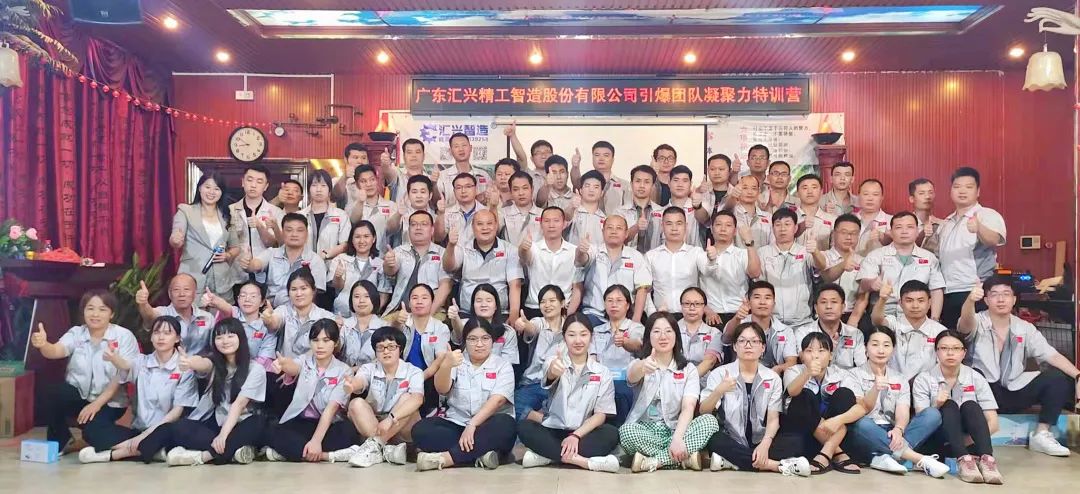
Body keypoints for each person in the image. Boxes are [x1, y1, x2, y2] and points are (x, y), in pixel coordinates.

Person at [957, 276, 1079, 457]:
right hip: (984, 392)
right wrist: (970, 301)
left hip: (1015, 389)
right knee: (971, 376)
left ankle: (1042, 434)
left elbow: (1050, 354)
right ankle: (971, 436)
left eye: (1006, 294)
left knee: (1057, 378)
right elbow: (964, 325)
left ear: (1014, 299)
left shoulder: (1025, 328)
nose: (1000, 299)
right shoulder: (978, 321)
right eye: (994, 295)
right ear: (986, 300)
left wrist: (1078, 376)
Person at [77, 316, 199, 464]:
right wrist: (114, 358)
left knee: (172, 435)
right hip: (138, 431)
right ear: (151, 337)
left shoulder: (184, 367)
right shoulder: (141, 361)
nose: (161, 337)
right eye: (156, 332)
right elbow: (126, 365)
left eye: (167, 333)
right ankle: (152, 451)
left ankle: (113, 454)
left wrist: (145, 436)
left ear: (177, 338)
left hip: (165, 430)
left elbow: (176, 412)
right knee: (92, 430)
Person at [32, 290, 139, 454]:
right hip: (80, 395)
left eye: (102, 309)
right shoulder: (76, 333)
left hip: (110, 401)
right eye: (90, 308)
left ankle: (139, 437)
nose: (95, 314)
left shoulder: (124, 336)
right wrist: (43, 345)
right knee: (53, 393)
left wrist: (96, 404)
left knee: (93, 433)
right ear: (83, 311)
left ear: (111, 314)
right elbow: (55, 351)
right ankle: (60, 440)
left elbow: (122, 375)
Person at [701, 322, 810, 477]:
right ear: (734, 346)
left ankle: (733, 461)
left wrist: (765, 444)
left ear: (763, 347)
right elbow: (704, 411)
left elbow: (773, 419)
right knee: (713, 439)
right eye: (742, 341)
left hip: (761, 439)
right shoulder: (719, 374)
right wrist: (719, 391)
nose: (748, 345)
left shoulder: (772, 378)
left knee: (796, 441)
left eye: (754, 341)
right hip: (730, 438)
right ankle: (776, 465)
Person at [518, 313, 622, 473]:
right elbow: (550, 373)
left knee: (611, 433)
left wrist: (576, 436)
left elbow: (601, 415)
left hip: (583, 432)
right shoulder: (554, 361)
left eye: (583, 334)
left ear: (591, 337)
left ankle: (548, 457)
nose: (578, 340)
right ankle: (583, 461)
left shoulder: (602, 372)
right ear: (564, 337)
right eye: (572, 335)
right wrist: (554, 371)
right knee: (525, 427)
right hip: (553, 430)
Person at [841, 325, 948, 477]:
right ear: (865, 348)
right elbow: (859, 409)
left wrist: (899, 429)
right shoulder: (852, 375)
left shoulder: (899, 378)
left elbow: (903, 410)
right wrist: (875, 389)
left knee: (932, 414)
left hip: (892, 432)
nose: (881, 350)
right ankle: (920, 459)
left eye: (886, 345)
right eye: (875, 344)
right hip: (865, 431)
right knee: (861, 423)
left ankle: (884, 458)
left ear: (893, 349)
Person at [412, 319, 517, 471]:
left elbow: (498, 401)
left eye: (485, 338)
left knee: (506, 425)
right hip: (458, 425)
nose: (479, 344)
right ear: (465, 341)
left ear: (492, 341)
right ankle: (480, 455)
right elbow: (442, 389)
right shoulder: (457, 360)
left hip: (488, 425)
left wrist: (472, 424)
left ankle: (446, 459)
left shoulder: (502, 365)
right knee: (420, 430)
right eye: (472, 339)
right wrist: (446, 365)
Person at [619, 312, 719, 473]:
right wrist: (643, 366)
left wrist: (677, 439)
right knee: (626, 432)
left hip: (676, 428)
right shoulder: (639, 363)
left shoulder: (689, 370)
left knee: (709, 421)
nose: (663, 336)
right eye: (656, 331)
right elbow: (632, 376)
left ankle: (655, 461)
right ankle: (683, 458)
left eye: (668, 331)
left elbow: (688, 407)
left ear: (676, 336)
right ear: (648, 336)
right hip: (645, 429)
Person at [164, 318, 267, 466]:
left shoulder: (256, 369)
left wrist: (223, 436)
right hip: (219, 423)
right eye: (219, 337)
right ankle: (234, 452)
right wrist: (190, 362)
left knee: (258, 424)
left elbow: (238, 405)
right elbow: (203, 363)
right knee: (180, 427)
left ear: (241, 338)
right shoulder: (216, 365)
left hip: (243, 423)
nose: (225, 341)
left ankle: (202, 456)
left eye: (230, 336)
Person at [262, 319, 363, 463]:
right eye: (315, 340)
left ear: (335, 343)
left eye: (326, 340)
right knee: (275, 431)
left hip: (329, 424)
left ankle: (301, 454)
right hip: (302, 422)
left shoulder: (344, 370)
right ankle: (325, 455)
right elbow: (293, 367)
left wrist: (316, 441)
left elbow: (331, 409)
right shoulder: (304, 360)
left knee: (347, 432)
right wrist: (283, 365)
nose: (320, 346)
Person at [912, 330, 1003, 484]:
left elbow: (993, 423)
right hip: (938, 441)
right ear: (936, 352)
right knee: (948, 405)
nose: (950, 353)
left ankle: (987, 460)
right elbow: (923, 422)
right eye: (944, 348)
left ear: (964, 352)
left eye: (956, 348)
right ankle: (963, 460)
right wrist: (937, 405)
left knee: (970, 406)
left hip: (969, 442)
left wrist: (959, 441)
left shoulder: (976, 377)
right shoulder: (924, 379)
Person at [342, 327, 426, 468]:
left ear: (400, 349)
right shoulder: (369, 368)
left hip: (401, 424)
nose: (386, 351)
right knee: (356, 403)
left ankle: (377, 445)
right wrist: (352, 385)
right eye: (380, 348)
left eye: (391, 347)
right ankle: (386, 450)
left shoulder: (414, 371)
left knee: (408, 399)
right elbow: (360, 381)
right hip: (375, 425)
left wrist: (391, 418)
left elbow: (417, 399)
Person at [781, 332, 863, 474]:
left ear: (831, 355)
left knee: (845, 394)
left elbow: (860, 406)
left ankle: (825, 453)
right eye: (809, 351)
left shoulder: (842, 374)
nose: (815, 356)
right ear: (801, 355)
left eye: (821, 350)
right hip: (803, 430)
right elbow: (792, 391)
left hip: (833, 428)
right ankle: (837, 453)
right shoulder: (793, 371)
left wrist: (838, 420)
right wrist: (807, 373)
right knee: (804, 396)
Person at [262, 268, 339, 416]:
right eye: (294, 289)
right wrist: (268, 319)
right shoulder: (284, 310)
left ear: (313, 291)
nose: (298, 293)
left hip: (312, 373)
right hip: (283, 371)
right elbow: (274, 322)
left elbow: (332, 348)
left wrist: (297, 369)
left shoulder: (326, 317)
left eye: (304, 288)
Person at [937, 167, 1008, 329]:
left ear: (978, 191)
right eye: (957, 186)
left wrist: (979, 228)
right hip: (948, 292)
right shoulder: (946, 222)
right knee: (953, 340)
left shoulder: (986, 214)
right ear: (951, 191)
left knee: (977, 338)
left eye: (969, 187)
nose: (962, 191)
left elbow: (994, 240)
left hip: (975, 290)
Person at [858, 212, 945, 320]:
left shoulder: (929, 258)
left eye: (910, 227)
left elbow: (936, 290)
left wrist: (935, 319)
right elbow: (863, 285)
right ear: (891, 232)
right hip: (882, 315)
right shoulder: (876, 255)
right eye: (899, 227)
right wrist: (872, 283)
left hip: (916, 316)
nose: (904, 231)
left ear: (917, 231)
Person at [170, 172, 240, 301]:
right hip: (193, 277)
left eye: (216, 189)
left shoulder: (227, 215)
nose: (211, 192)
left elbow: (235, 247)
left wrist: (227, 255)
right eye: (207, 187)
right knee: (192, 312)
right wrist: (176, 240)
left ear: (221, 192)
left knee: (223, 313)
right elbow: (176, 236)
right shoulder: (186, 211)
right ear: (199, 188)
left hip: (221, 281)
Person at [445, 209, 523, 321]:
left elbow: (515, 284)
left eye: (489, 223)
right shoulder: (463, 248)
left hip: (499, 313)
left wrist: (514, 313)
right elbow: (449, 267)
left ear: (496, 225)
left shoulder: (510, 250)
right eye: (480, 224)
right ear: (473, 227)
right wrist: (451, 246)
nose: (485, 228)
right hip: (468, 313)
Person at [239, 213, 328, 307]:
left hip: (300, 309)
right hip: (271, 309)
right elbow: (255, 265)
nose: (294, 234)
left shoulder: (315, 260)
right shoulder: (271, 253)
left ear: (306, 234)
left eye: (300, 230)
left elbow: (315, 295)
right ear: (282, 233)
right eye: (289, 230)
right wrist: (247, 264)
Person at [576, 215, 651, 325]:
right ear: (603, 232)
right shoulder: (593, 250)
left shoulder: (636, 256)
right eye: (610, 227)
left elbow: (642, 289)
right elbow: (581, 260)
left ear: (626, 234)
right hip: (593, 314)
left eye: (619, 228)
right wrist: (580, 251)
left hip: (624, 317)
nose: (614, 231)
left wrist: (636, 319)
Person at [390, 284, 452, 416]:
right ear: (409, 302)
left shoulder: (440, 328)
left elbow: (440, 359)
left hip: (428, 378)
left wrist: (418, 378)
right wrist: (396, 322)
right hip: (401, 376)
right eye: (414, 298)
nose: (419, 301)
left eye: (424, 298)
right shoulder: (402, 321)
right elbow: (390, 341)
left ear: (432, 302)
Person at [871, 280, 946, 382]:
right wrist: (882, 299)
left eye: (921, 301)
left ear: (929, 303)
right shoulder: (894, 323)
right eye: (909, 301)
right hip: (893, 384)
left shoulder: (939, 331)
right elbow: (877, 321)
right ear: (900, 303)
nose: (915, 306)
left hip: (927, 385)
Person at [591, 285, 646, 425]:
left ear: (628, 305)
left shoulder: (637, 328)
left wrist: (625, 342)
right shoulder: (596, 331)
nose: (614, 304)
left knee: (620, 392)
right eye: (609, 300)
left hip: (627, 381)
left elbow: (638, 345)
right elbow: (592, 359)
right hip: (603, 379)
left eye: (619, 300)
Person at [645, 207, 715, 316]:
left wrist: (712, 260)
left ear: (686, 226)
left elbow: (708, 272)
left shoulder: (696, 252)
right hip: (662, 315)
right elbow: (645, 290)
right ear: (662, 226)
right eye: (669, 224)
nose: (674, 228)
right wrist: (653, 315)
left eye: (679, 223)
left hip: (691, 315)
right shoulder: (651, 256)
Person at [383, 210, 452, 317]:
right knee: (383, 327)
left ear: (432, 230)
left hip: (434, 312)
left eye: (424, 224)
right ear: (409, 229)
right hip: (400, 311)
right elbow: (390, 271)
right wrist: (389, 263)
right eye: (413, 224)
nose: (418, 228)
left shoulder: (443, 254)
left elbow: (446, 285)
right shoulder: (398, 251)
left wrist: (429, 315)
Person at [513, 285, 566, 422]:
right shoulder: (538, 322)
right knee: (512, 407)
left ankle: (541, 419)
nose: (547, 305)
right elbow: (532, 328)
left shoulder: (570, 327)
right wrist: (524, 324)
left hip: (559, 385)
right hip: (533, 383)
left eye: (552, 301)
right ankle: (544, 420)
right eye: (543, 302)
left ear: (562, 303)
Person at [700, 210, 761, 327]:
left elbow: (755, 273)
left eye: (728, 225)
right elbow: (695, 288)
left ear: (735, 231)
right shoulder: (701, 256)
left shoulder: (743, 254)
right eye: (718, 224)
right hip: (712, 315)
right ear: (711, 229)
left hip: (740, 313)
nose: (723, 229)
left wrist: (749, 242)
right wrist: (706, 309)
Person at [519, 207, 582, 319]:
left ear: (564, 224)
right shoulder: (533, 248)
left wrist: (568, 316)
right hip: (535, 307)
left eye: (556, 221)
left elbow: (578, 287)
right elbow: (524, 256)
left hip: (563, 309)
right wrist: (523, 248)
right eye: (547, 221)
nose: (551, 225)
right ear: (541, 224)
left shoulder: (574, 251)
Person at [722, 281, 797, 374]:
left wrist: (777, 369)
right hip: (741, 375)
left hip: (774, 377)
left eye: (767, 298)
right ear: (749, 303)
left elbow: (791, 362)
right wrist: (737, 318)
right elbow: (726, 339)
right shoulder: (739, 322)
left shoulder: (786, 331)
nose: (762, 302)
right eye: (757, 297)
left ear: (774, 304)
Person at [201, 281, 278, 371]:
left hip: (253, 371)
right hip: (224, 368)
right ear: (238, 299)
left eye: (253, 296)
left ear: (262, 302)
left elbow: (265, 359)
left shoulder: (267, 325)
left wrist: (242, 370)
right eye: (243, 295)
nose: (247, 299)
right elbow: (226, 308)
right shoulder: (233, 314)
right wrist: (215, 300)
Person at [757, 208, 814, 328]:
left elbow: (821, 272)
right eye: (778, 225)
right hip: (771, 322)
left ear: (795, 228)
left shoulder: (806, 253)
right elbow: (758, 284)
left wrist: (816, 252)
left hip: (802, 322)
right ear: (772, 228)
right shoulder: (762, 253)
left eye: (787, 224)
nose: (782, 229)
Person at [229, 165, 283, 284]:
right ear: (242, 182)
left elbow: (277, 245)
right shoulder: (230, 211)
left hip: (266, 274)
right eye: (249, 180)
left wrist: (259, 226)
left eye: (259, 181)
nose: (253, 185)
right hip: (236, 274)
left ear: (266, 186)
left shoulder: (276, 212)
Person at [136, 274, 215, 355]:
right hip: (169, 362)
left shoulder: (208, 318)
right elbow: (150, 316)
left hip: (200, 362)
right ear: (169, 294)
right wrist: (143, 303)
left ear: (195, 293)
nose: (182, 294)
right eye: (176, 290)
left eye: (186, 289)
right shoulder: (163, 313)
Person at [794, 284, 866, 370]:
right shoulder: (803, 332)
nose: (828, 306)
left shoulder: (855, 334)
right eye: (823, 302)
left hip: (848, 377)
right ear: (816, 308)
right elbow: (804, 360)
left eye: (834, 302)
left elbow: (862, 367)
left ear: (843, 307)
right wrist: (825, 349)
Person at [329, 221, 390, 317]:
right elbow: (337, 287)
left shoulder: (380, 264)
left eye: (366, 236)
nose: (362, 241)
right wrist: (337, 276)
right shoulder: (341, 259)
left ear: (373, 239)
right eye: (357, 237)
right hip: (342, 315)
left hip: (370, 316)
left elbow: (384, 292)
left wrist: (373, 312)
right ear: (352, 239)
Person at [448, 284, 520, 366]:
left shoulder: (508, 332)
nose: (483, 305)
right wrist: (455, 317)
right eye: (479, 301)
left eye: (488, 301)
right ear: (473, 305)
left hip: (497, 372)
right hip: (467, 371)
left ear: (496, 306)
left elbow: (508, 363)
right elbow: (459, 335)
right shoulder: (464, 324)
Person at [814, 214, 866, 325]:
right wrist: (843, 265)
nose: (849, 237)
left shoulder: (863, 262)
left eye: (854, 233)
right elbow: (826, 277)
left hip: (851, 314)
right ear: (834, 234)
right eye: (844, 232)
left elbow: (863, 295)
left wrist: (854, 319)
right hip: (824, 314)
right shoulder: (822, 257)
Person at [301, 170, 352, 263]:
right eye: (314, 185)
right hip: (303, 266)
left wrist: (327, 254)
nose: (318, 189)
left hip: (332, 266)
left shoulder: (341, 215)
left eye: (323, 185)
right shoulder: (300, 216)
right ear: (308, 190)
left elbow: (345, 244)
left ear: (329, 191)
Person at [348, 165, 399, 255]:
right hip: (359, 257)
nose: (369, 184)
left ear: (377, 180)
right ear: (357, 184)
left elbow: (392, 229)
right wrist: (360, 202)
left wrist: (399, 214)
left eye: (372, 179)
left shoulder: (391, 206)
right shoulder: (352, 207)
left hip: (384, 258)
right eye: (363, 181)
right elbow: (354, 221)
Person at [615, 165, 664, 255]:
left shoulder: (662, 212)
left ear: (653, 185)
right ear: (631, 184)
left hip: (654, 261)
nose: (642, 186)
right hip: (627, 260)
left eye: (647, 182)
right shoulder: (620, 212)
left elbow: (665, 242)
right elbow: (616, 240)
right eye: (638, 181)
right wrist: (636, 228)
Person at [338, 280, 389, 367]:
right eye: (357, 296)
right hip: (343, 373)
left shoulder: (385, 327)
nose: (361, 300)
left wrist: (357, 369)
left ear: (374, 299)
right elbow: (335, 351)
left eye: (367, 296)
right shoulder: (344, 324)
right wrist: (335, 333)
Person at [570, 141, 631, 214]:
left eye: (606, 155)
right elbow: (576, 183)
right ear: (592, 158)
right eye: (597, 155)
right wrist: (575, 167)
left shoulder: (625, 185)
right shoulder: (585, 182)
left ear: (613, 159)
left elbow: (629, 211)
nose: (601, 158)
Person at [435, 133, 491, 208]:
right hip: (451, 215)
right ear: (450, 151)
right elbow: (436, 202)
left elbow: (490, 200)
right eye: (456, 146)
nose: (461, 149)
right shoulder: (442, 176)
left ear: (470, 148)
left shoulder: (483, 175)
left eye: (464, 145)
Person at [677, 287, 723, 378]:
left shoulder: (714, 333)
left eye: (697, 304)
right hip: (673, 379)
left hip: (703, 381)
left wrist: (688, 381)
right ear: (681, 306)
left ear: (704, 307)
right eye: (687, 304)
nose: (692, 308)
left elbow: (709, 361)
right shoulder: (670, 330)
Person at [436, 173, 489, 247]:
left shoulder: (487, 212)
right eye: (459, 188)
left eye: (468, 186)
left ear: (476, 189)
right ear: (454, 191)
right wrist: (441, 214)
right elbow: (438, 238)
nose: (463, 191)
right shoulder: (446, 213)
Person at [664, 165, 708, 248]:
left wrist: (698, 206)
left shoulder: (699, 206)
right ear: (669, 183)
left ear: (690, 184)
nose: (680, 184)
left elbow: (705, 219)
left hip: (695, 255)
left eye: (685, 181)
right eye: (676, 180)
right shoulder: (660, 212)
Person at [388, 174, 436, 249]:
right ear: (408, 195)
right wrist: (398, 214)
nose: (419, 196)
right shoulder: (401, 213)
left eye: (423, 192)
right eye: (414, 192)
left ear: (430, 195)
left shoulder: (435, 217)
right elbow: (389, 229)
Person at [498, 171, 543, 248]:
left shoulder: (543, 214)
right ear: (511, 192)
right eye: (516, 189)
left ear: (532, 189)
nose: (521, 193)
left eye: (525, 188)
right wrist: (492, 206)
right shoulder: (503, 213)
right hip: (510, 255)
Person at [793, 174, 836, 252]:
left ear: (821, 192)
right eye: (805, 188)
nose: (810, 191)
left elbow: (835, 250)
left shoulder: (832, 220)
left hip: (822, 259)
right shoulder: (789, 219)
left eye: (814, 187)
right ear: (797, 193)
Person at [505, 122, 551, 194]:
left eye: (547, 152)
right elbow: (520, 157)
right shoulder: (527, 175)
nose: (543, 156)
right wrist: (513, 136)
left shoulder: (559, 175)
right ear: (532, 159)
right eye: (538, 153)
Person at [382, 138, 431, 205]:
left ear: (424, 156)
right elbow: (387, 172)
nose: (413, 155)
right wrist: (385, 164)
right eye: (409, 152)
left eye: (417, 152)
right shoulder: (397, 175)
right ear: (404, 156)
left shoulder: (430, 179)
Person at [567, 170, 608, 249]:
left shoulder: (605, 219)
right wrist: (571, 207)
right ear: (581, 190)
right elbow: (565, 218)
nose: (591, 190)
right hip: (574, 256)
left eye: (596, 187)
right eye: (587, 186)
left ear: (602, 193)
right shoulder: (573, 211)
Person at [730, 175, 773, 248]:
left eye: (754, 188)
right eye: (745, 188)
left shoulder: (768, 217)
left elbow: (773, 244)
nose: (749, 192)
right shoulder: (731, 214)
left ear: (759, 191)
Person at [854, 179, 892, 256]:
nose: (870, 198)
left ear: (882, 197)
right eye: (866, 194)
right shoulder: (848, 221)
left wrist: (886, 238)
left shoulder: (892, 221)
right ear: (859, 196)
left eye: (875, 194)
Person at [332, 142, 369, 207]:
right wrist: (345, 177)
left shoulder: (372, 182)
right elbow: (334, 197)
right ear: (346, 160)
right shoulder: (336, 181)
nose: (360, 161)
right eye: (355, 157)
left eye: (363, 158)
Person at [699, 154, 733, 223]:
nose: (717, 173)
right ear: (708, 171)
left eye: (721, 169)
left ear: (730, 171)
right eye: (712, 169)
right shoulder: (701, 192)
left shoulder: (735, 193)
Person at [907, 178, 940, 249]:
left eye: (930, 192)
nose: (927, 197)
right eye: (921, 193)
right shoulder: (903, 225)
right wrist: (921, 235)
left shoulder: (942, 225)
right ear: (912, 199)